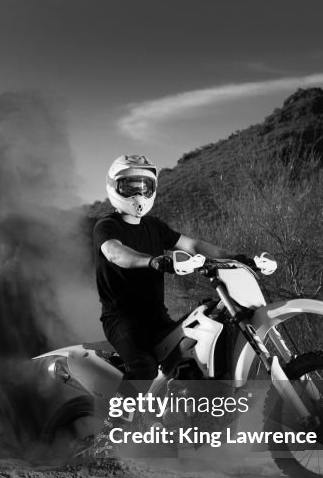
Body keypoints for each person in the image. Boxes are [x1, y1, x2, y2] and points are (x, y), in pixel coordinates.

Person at [93, 154, 250, 405]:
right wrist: (152, 260)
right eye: (130, 187)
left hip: (157, 318)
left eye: (144, 186)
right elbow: (115, 253)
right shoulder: (106, 227)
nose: (138, 194)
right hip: (122, 320)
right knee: (143, 369)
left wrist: (234, 257)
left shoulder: (155, 227)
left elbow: (193, 244)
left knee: (199, 342)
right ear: (115, 187)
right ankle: (109, 439)